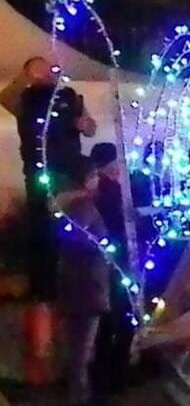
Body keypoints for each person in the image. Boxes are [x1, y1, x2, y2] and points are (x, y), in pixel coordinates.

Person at [15, 56, 95, 384]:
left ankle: (72, 360)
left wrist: (83, 123)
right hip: (42, 183)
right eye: (41, 68)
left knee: (75, 265)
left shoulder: (69, 96)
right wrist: (26, 76)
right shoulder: (26, 97)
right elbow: (5, 98)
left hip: (71, 180)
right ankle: (43, 359)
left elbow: (89, 127)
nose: (49, 71)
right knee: (46, 272)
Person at [53, 157, 111, 405]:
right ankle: (80, 399)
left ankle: (80, 395)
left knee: (78, 350)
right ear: (86, 178)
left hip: (74, 283)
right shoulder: (84, 206)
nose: (98, 180)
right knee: (81, 353)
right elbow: (78, 238)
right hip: (88, 286)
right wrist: (101, 247)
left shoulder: (64, 205)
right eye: (95, 175)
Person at [89, 142, 134, 395]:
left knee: (108, 322)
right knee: (122, 319)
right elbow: (123, 223)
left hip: (102, 265)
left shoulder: (93, 192)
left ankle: (105, 376)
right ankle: (115, 378)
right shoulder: (113, 193)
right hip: (119, 263)